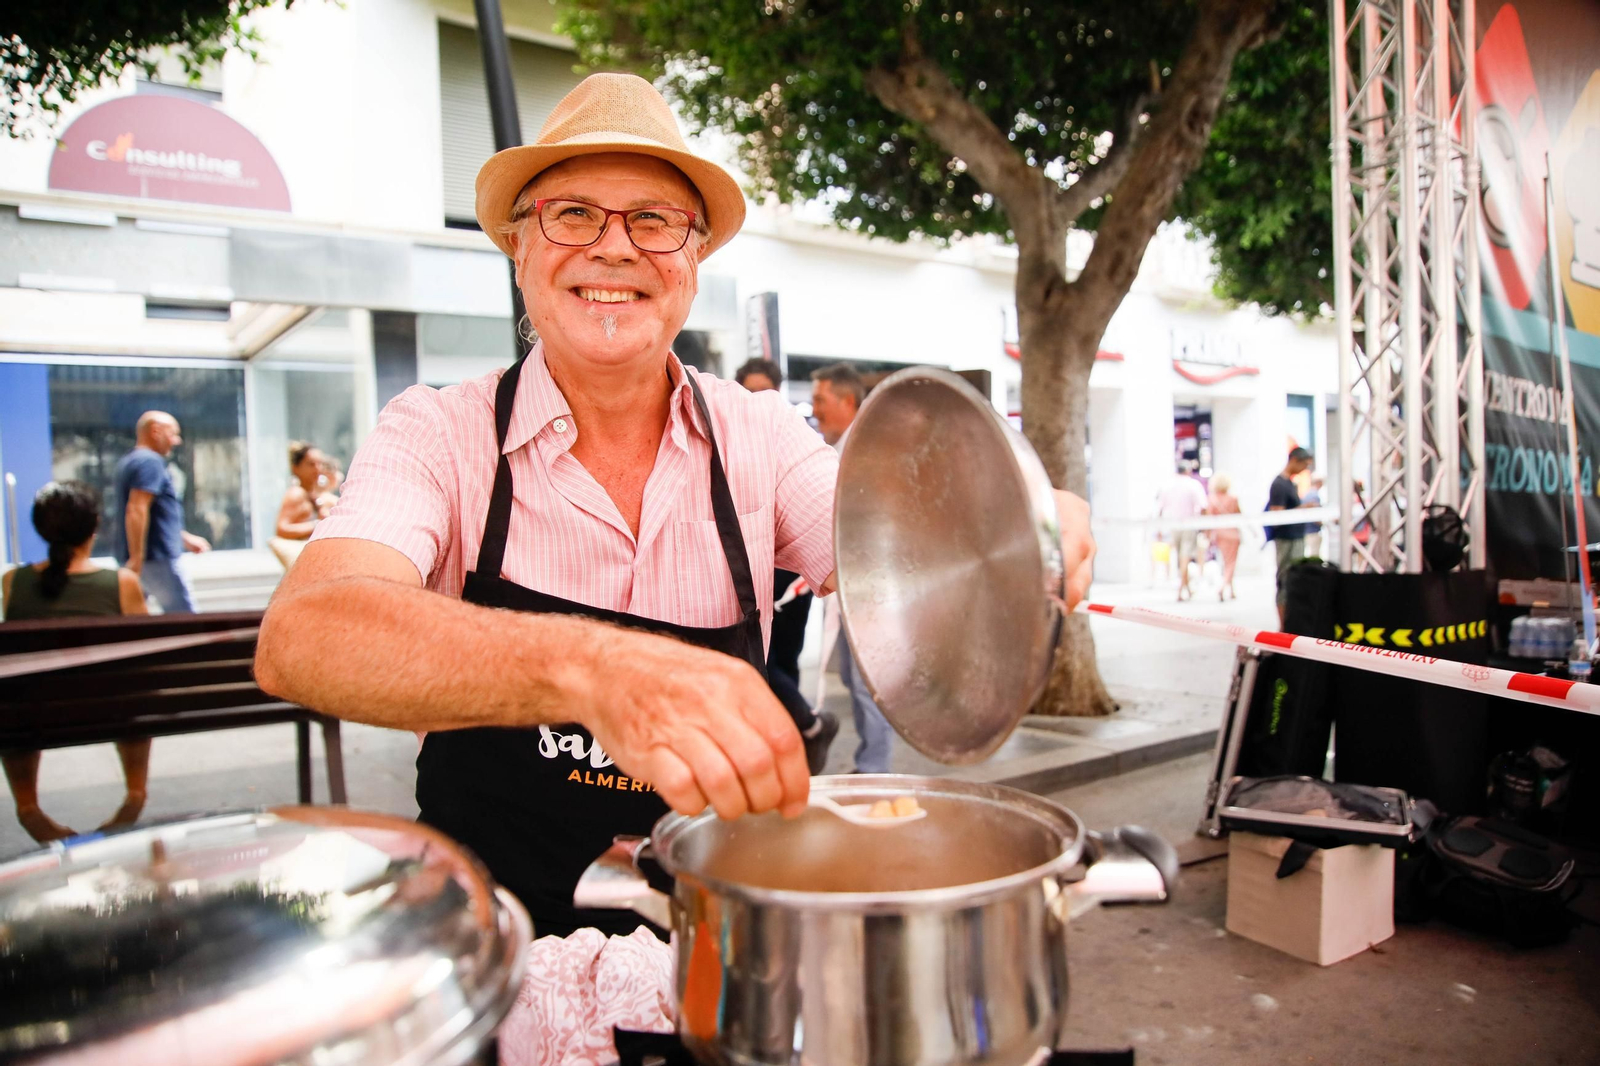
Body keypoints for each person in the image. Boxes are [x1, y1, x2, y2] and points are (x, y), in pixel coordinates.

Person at [254, 73, 1096, 939]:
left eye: (654, 221)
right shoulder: (438, 432)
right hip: (492, 953)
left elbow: (911, 558)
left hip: (709, 957)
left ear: (693, 261)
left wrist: (1019, 521)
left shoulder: (761, 437)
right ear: (519, 246)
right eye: (572, 213)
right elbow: (303, 635)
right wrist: (595, 671)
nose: (613, 249)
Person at [1, 481, 152, 842]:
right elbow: (147, 656)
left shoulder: (12, 582)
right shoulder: (122, 583)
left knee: (12, 697)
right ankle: (135, 795)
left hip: (32, 715)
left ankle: (28, 807)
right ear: (94, 526)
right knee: (133, 689)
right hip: (109, 710)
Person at [734, 358, 839, 773]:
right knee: (766, 660)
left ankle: (798, 732)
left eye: (766, 389)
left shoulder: (790, 440)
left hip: (794, 583)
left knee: (784, 657)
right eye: (751, 389)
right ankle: (801, 728)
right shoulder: (730, 440)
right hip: (763, 583)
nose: (760, 397)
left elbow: (838, 530)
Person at [809, 361, 897, 774]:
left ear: (847, 401)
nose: (813, 409)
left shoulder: (871, 447)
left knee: (866, 682)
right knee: (852, 675)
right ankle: (871, 761)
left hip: (872, 588)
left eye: (820, 400)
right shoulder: (841, 448)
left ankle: (874, 768)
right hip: (850, 586)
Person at [114, 411, 211, 613]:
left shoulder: (132, 461)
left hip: (147, 557)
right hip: (157, 558)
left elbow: (154, 514)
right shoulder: (150, 462)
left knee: (137, 615)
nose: (176, 441)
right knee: (185, 620)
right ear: (155, 431)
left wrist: (184, 538)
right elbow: (136, 509)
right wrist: (137, 558)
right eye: (172, 433)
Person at [1267, 447, 1315, 626]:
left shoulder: (1289, 483)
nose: (1305, 469)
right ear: (1294, 460)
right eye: (1304, 464)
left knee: (1294, 580)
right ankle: (1284, 626)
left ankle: (1291, 624)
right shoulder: (1279, 484)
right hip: (1286, 539)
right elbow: (1276, 514)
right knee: (1285, 580)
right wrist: (1303, 509)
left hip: (1295, 538)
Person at [1155, 462, 1208, 602]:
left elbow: (1160, 509)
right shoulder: (1193, 485)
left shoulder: (1167, 485)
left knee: (1180, 556)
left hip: (1173, 525)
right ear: (1188, 471)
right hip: (1189, 524)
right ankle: (1182, 588)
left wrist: (1159, 529)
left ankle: (1185, 588)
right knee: (1184, 556)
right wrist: (1204, 525)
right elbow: (1203, 506)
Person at [276, 441, 336, 541]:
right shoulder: (296, 493)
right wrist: (317, 524)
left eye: (320, 463)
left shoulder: (318, 493)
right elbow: (281, 529)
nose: (317, 468)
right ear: (295, 468)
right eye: (311, 464)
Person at [1206, 474, 1242, 602]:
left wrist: (1208, 535)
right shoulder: (1233, 498)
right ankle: (1222, 587)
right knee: (1231, 563)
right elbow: (1239, 515)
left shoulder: (1211, 499)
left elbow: (1209, 519)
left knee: (1226, 562)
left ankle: (1231, 590)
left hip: (1219, 534)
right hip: (1232, 533)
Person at [1302, 474, 1325, 559]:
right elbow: (1315, 516)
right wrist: (1323, 524)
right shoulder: (1314, 496)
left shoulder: (1307, 494)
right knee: (1314, 555)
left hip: (1307, 530)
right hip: (1313, 530)